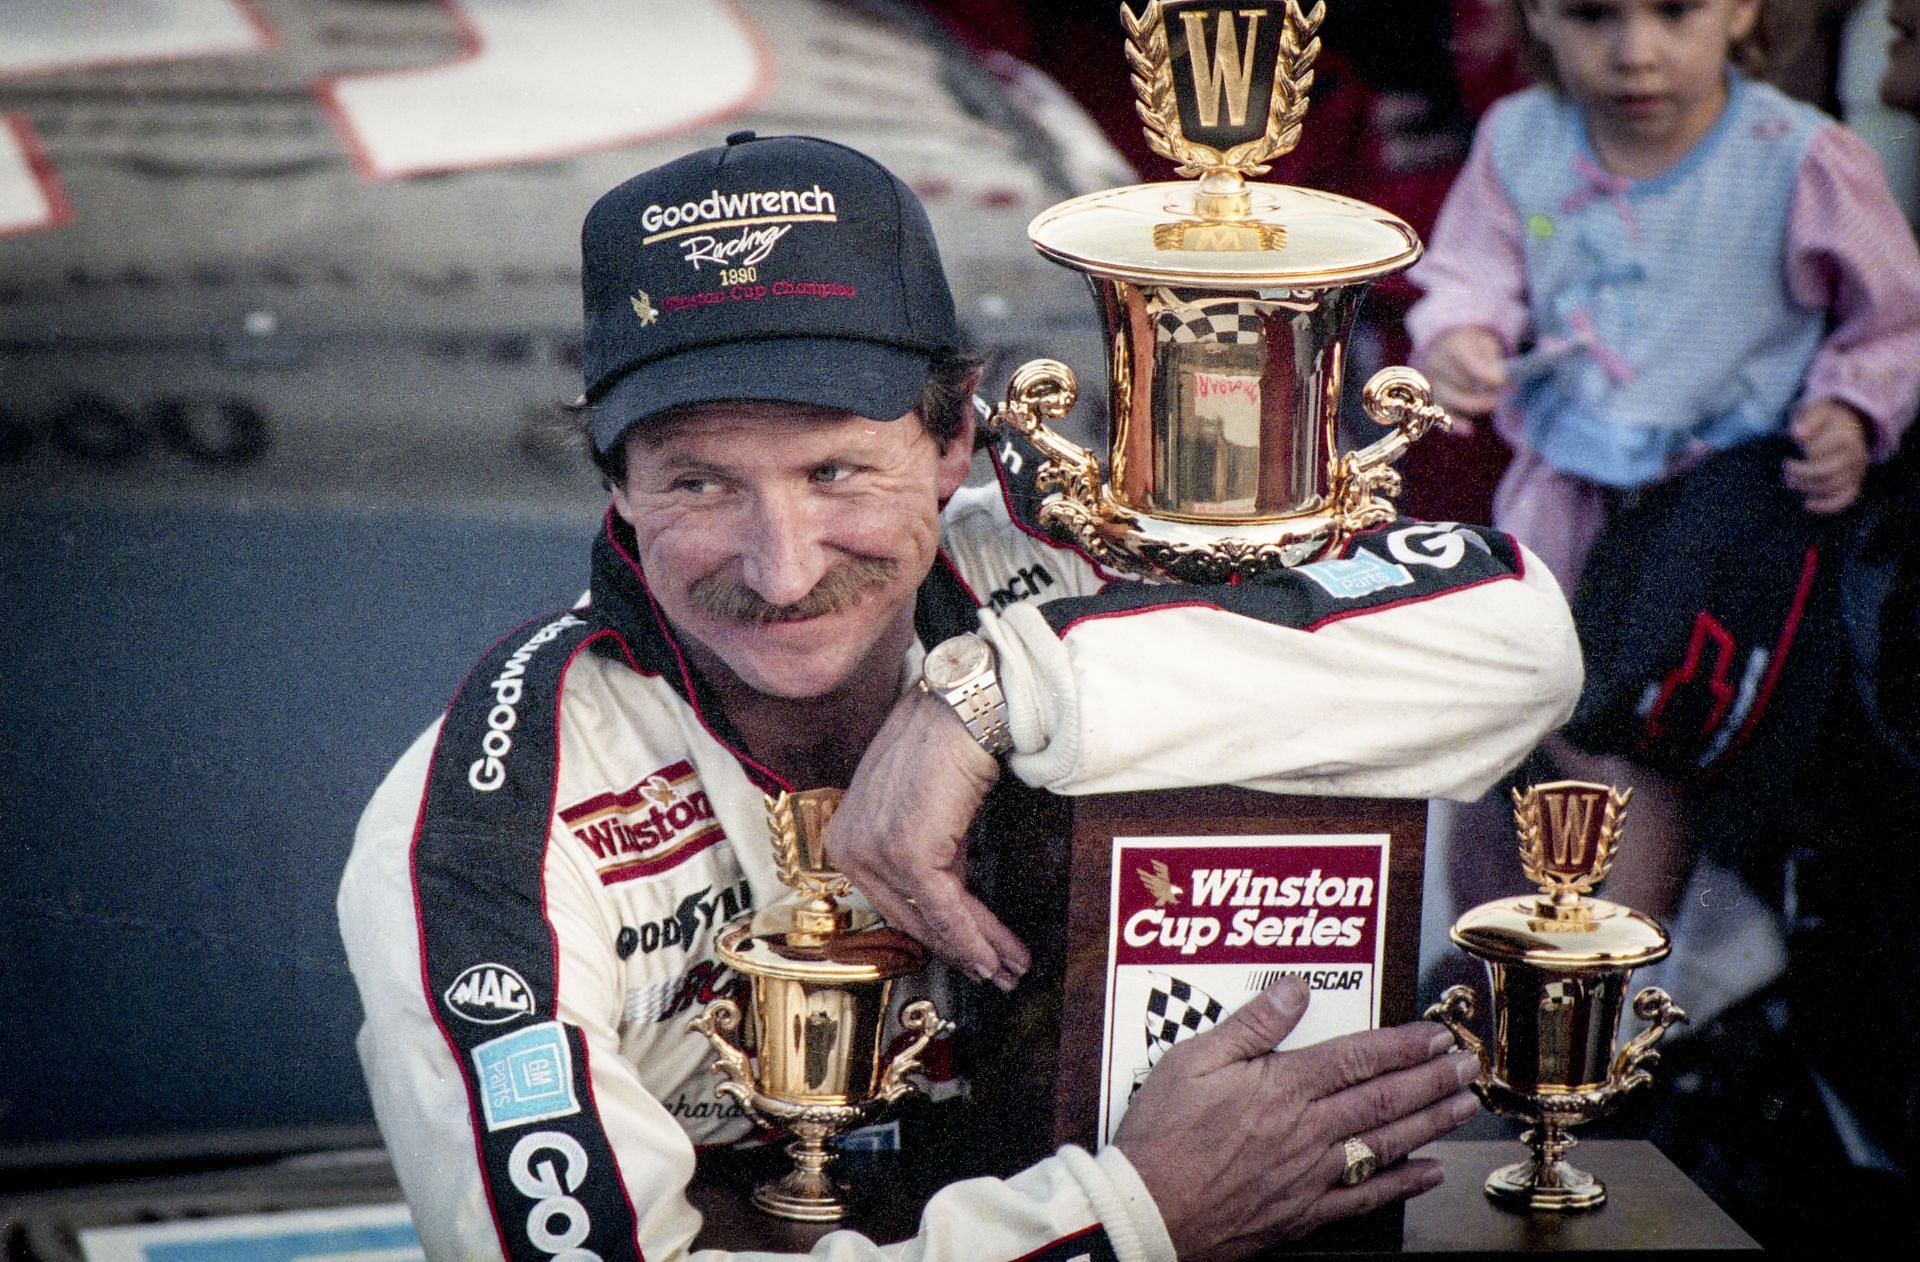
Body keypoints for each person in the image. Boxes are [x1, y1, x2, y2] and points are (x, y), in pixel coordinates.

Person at [339, 131, 1583, 1262]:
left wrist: (985, 696)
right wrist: (1126, 1221)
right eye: (701, 486)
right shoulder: (491, 829)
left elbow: (1520, 640)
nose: (784, 565)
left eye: (838, 469)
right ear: (616, 487)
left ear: (955, 444)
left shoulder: (1061, 573)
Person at [1406, 0, 1920, 925]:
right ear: (1536, 16)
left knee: (1637, 743)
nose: (1635, 53)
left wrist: (1851, 406)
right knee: (1504, 720)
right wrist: (1462, 337)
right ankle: (1483, 962)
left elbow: (1891, 320)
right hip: (1558, 497)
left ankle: (1610, 990)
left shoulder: (1797, 157)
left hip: (1713, 519)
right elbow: (1470, 271)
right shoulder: (1522, 136)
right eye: (1594, 16)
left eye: (1675, 14)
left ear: (1740, 11)